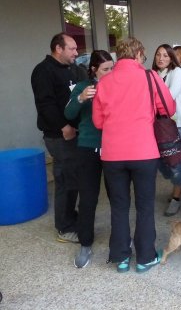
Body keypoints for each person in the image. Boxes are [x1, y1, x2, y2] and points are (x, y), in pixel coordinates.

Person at [92, 37, 176, 273]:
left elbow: (98, 121)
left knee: (118, 206)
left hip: (112, 155)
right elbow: (169, 109)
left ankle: (120, 257)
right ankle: (145, 257)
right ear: (139, 53)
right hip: (143, 152)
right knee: (145, 206)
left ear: (119, 55)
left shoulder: (104, 82)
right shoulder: (150, 77)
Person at [31, 32, 87, 243]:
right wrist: (64, 126)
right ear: (58, 49)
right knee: (65, 180)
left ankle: (72, 217)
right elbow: (45, 104)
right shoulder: (43, 71)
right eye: (72, 48)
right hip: (59, 135)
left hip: (76, 133)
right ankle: (64, 228)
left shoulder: (73, 69)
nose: (76, 52)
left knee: (74, 178)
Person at [64, 50, 114, 268]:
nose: (110, 72)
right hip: (87, 147)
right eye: (105, 69)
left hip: (114, 148)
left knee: (117, 197)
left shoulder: (117, 84)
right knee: (88, 198)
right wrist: (81, 98)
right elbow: (68, 113)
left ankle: (120, 240)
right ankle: (85, 243)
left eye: (112, 68)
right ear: (94, 69)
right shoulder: (84, 86)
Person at [152, 44, 181, 216]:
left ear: (172, 57)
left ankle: (176, 197)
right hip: (158, 125)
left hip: (175, 123)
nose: (161, 58)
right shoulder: (154, 74)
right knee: (162, 161)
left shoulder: (177, 72)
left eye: (166, 55)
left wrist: (151, 100)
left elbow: (170, 96)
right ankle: (179, 184)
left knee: (175, 161)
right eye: (158, 55)